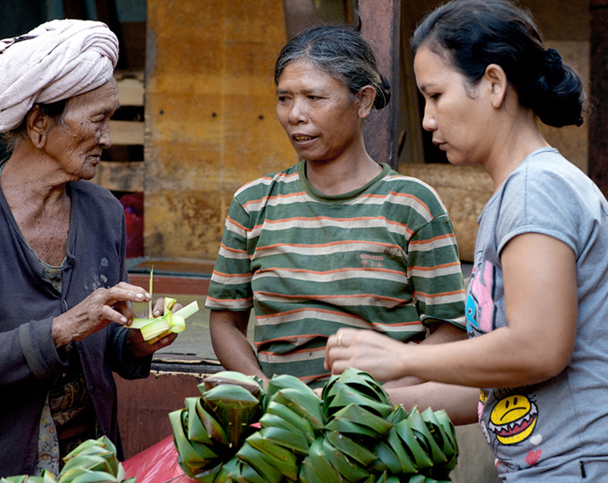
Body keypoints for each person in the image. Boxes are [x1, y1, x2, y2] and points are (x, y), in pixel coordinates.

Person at [325, 0, 608, 480]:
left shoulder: (536, 188)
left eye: (436, 95)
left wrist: (400, 356)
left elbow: (538, 348)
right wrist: (355, 402)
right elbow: (493, 384)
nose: (428, 119)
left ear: (494, 84)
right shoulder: (517, 192)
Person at [206, 24, 467, 390]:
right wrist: (267, 394)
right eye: (284, 98)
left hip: (382, 424)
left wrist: (364, 401)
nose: (295, 114)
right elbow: (224, 321)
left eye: (314, 97)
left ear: (362, 101)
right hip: (281, 429)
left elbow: (451, 333)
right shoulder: (253, 203)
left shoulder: (411, 206)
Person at [0, 20, 178, 477]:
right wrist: (60, 329)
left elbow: (103, 341)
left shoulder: (102, 212)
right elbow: (72, 329)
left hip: (91, 465)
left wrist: (137, 342)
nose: (109, 138)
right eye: (97, 120)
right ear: (39, 124)